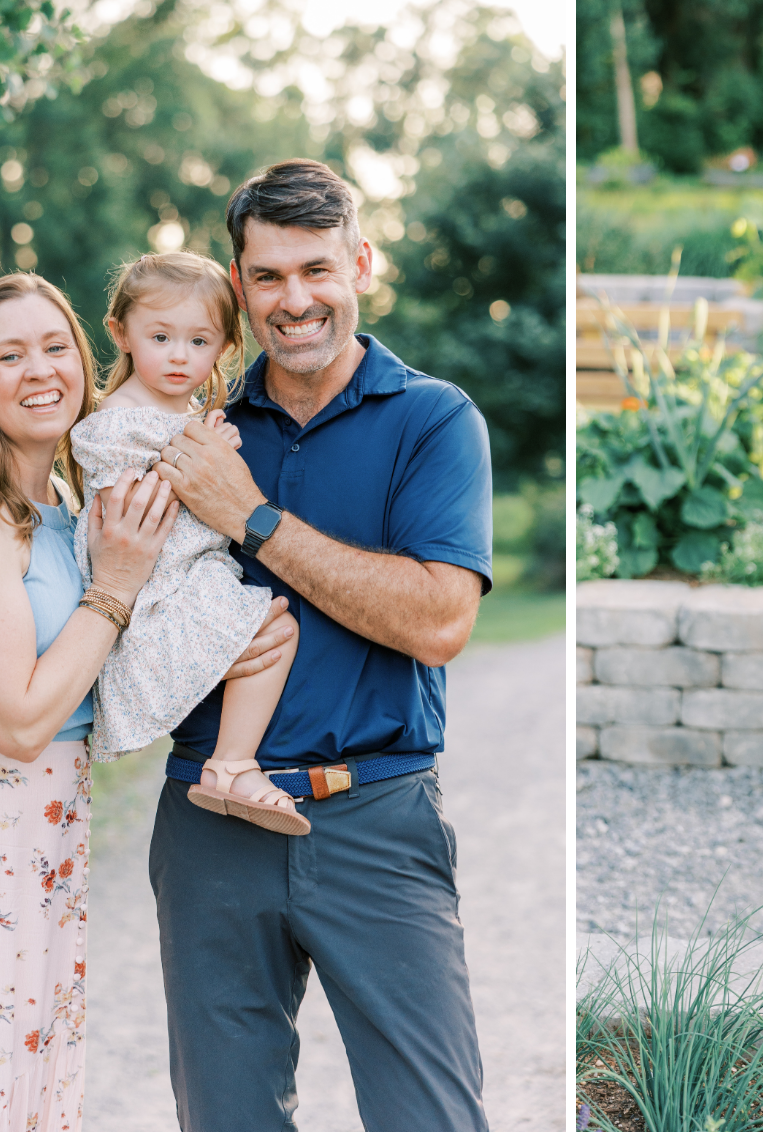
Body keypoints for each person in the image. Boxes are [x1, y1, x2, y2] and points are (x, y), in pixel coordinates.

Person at [0, 273, 279, 1130]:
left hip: (40, 829)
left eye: (54, 347)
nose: (39, 371)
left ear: (86, 359)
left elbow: (99, 668)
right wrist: (116, 585)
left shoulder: (68, 505)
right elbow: (22, 720)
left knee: (17, 1078)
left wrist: (228, 642)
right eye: (9, 354)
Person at [145, 159, 494, 1131]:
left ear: (361, 266)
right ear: (238, 284)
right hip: (206, 819)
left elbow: (437, 620)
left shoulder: (431, 419)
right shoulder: (190, 425)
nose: (293, 300)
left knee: (431, 1117)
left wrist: (249, 518)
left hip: (373, 814)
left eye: (315, 270)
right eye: (267, 277)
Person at [70, 251, 304, 833]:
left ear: (224, 346)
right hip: (156, 585)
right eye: (161, 337)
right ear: (120, 334)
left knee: (274, 625)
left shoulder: (190, 413)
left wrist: (204, 443)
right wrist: (206, 452)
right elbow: (133, 502)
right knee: (274, 625)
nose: (180, 355)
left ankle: (229, 766)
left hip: (189, 571)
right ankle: (232, 765)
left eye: (200, 342)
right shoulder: (116, 418)